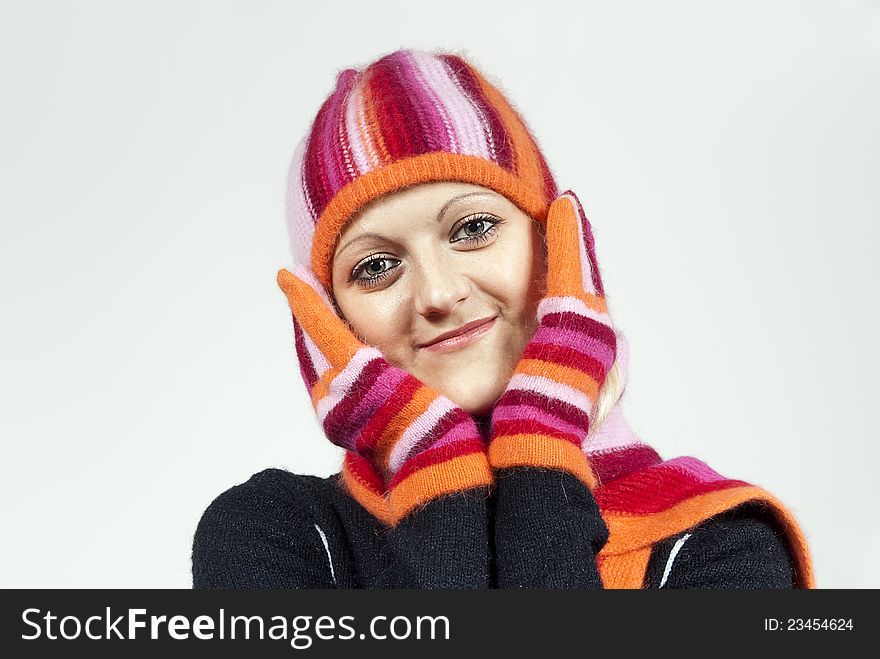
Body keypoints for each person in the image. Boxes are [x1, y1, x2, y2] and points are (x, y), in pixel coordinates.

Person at [191, 48, 815, 589]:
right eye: (376, 267)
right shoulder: (276, 534)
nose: (437, 293)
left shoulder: (714, 544)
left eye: (474, 227)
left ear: (557, 249)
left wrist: (538, 449)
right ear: (327, 319)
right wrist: (436, 472)